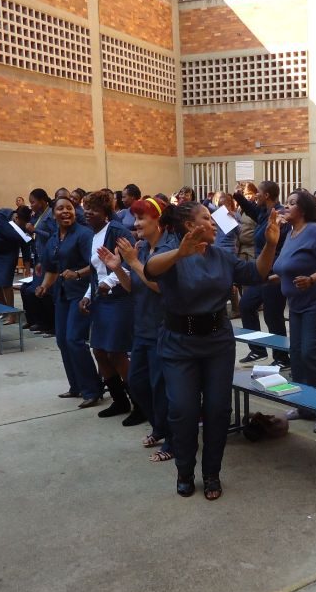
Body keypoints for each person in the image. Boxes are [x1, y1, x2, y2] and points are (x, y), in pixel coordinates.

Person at [145, 201, 279, 500]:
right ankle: (184, 471)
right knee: (183, 410)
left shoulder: (221, 255)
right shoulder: (172, 253)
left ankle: (211, 473)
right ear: (190, 226)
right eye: (207, 218)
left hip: (218, 342)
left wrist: (271, 244)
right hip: (179, 343)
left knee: (218, 410)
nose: (215, 222)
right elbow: (151, 269)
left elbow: (257, 273)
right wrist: (179, 253)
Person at [98, 196, 177, 457]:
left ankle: (172, 441)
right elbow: (133, 286)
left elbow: (160, 287)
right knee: (137, 382)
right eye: (136, 218)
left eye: (142, 218)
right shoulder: (141, 248)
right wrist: (117, 268)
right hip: (142, 328)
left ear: (158, 221)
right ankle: (159, 427)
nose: (136, 223)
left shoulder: (169, 248)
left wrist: (132, 262)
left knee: (160, 387)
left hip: (163, 329)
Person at [272, 190, 316, 433]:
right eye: (286, 202)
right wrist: (276, 277)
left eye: (292, 203)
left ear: (303, 209)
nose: (286, 206)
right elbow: (291, 265)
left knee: (312, 355)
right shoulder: (291, 233)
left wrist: (313, 279)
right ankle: (305, 405)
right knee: (297, 355)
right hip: (297, 304)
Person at [35, 196, 102, 406]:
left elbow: (96, 264)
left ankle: (92, 389)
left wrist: (78, 273)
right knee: (62, 341)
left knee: (74, 340)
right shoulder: (54, 238)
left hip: (82, 294)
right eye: (60, 209)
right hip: (63, 294)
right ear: (53, 213)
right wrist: (44, 286)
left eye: (69, 208)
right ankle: (76, 386)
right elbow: (52, 269)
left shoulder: (84, 234)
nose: (65, 212)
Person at [79, 190, 135, 418]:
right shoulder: (93, 235)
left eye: (93, 209)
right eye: (86, 208)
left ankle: (140, 403)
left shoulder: (118, 232)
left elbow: (130, 264)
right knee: (99, 352)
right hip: (100, 301)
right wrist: (87, 295)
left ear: (105, 212)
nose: (88, 213)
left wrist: (109, 282)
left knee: (116, 353)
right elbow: (96, 272)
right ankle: (119, 401)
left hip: (119, 300)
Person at [234, 180, 289, 367]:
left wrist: (276, 271)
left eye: (258, 192)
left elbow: (284, 247)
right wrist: (238, 195)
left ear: (266, 195)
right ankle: (257, 350)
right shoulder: (264, 212)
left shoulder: (279, 216)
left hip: (274, 274)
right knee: (246, 306)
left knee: (273, 316)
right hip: (260, 273)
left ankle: (282, 358)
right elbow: (250, 209)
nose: (255, 195)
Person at [0, 206, 33, 323]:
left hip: (9, 254)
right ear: (16, 217)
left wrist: (27, 268)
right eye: (21, 223)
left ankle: (12, 314)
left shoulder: (24, 229)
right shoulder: (2, 213)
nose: (22, 226)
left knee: (6, 283)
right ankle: (4, 309)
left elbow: (26, 248)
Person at [20, 189, 57, 335]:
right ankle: (40, 321)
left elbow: (54, 235)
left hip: (49, 258)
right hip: (39, 258)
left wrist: (35, 230)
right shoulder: (37, 216)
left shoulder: (50, 214)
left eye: (33, 202)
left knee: (46, 292)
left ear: (42, 201)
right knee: (35, 291)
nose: (31, 205)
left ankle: (51, 325)